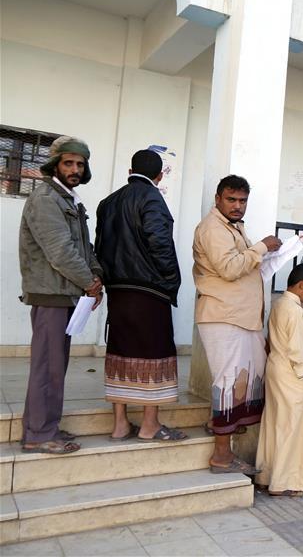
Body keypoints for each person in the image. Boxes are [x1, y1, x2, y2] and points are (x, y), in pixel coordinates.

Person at [18, 136, 103, 454]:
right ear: (55, 164)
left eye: (80, 164)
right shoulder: (45, 198)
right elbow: (61, 252)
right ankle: (38, 434)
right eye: (69, 163)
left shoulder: (68, 199)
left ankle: (45, 427)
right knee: (46, 366)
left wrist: (96, 277)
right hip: (50, 294)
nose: (75, 169)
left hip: (67, 293)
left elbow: (84, 247)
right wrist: (89, 283)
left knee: (56, 366)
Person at [95, 149, 186, 442]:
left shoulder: (107, 203)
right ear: (159, 177)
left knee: (120, 351)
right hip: (149, 291)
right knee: (154, 353)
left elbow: (100, 248)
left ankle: (120, 424)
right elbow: (160, 244)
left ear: (130, 170)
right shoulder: (153, 199)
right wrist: (171, 281)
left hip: (118, 291)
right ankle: (149, 424)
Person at [193, 175, 282, 475]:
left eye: (242, 201)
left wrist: (265, 254)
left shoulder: (234, 228)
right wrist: (261, 247)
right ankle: (221, 457)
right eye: (231, 200)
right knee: (230, 384)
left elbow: (242, 265)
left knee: (243, 383)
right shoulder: (212, 228)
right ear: (217, 199)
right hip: (222, 316)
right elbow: (230, 269)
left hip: (241, 317)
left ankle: (217, 426)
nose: (237, 206)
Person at [255, 264, 303, 496]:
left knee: (274, 423)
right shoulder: (293, 309)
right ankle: (283, 482)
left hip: (275, 367)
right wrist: (302, 373)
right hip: (290, 372)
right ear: (302, 285)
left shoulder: (279, 303)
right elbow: (296, 349)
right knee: (291, 427)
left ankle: (265, 475)